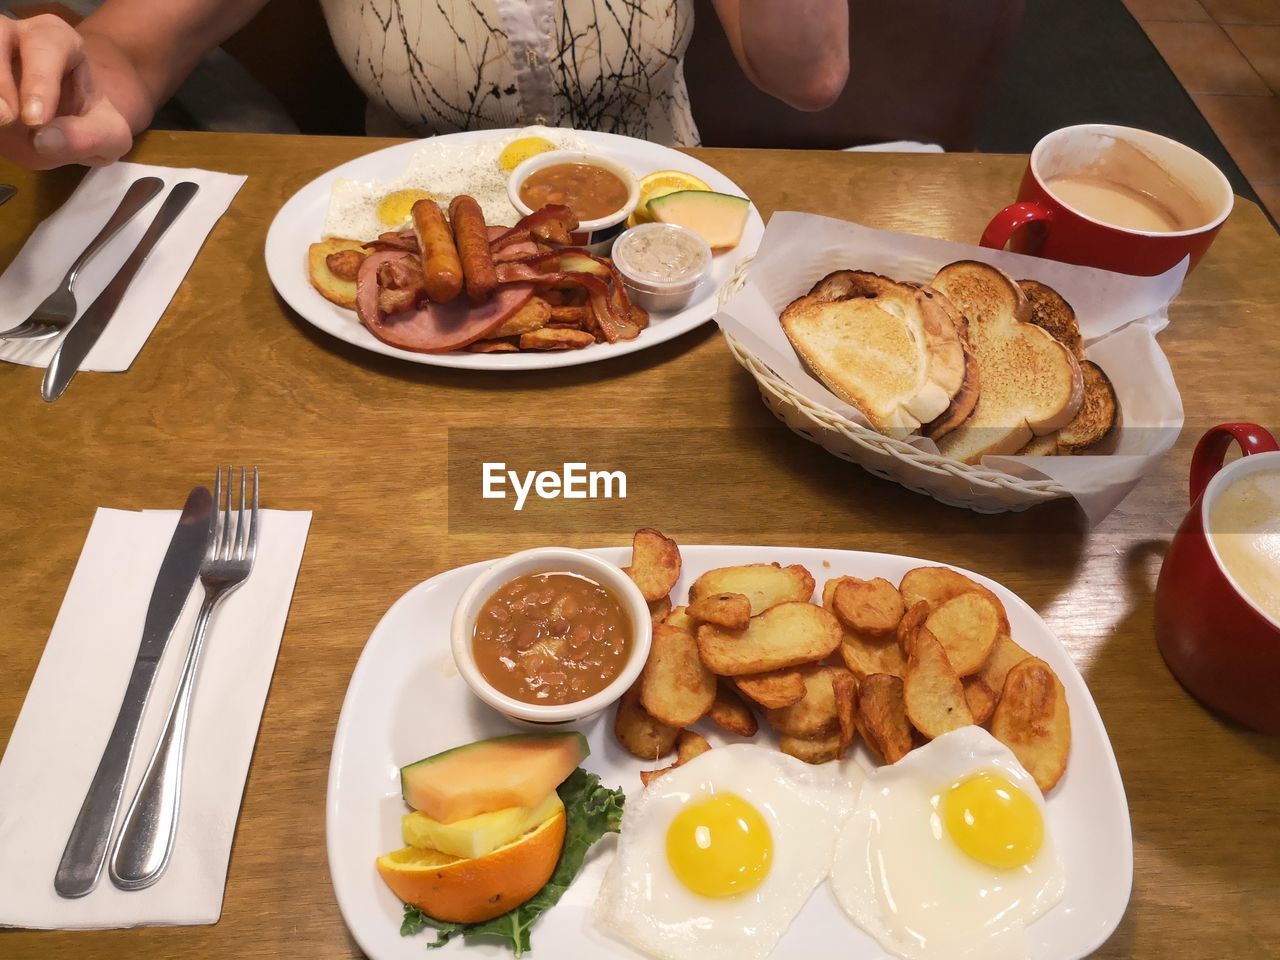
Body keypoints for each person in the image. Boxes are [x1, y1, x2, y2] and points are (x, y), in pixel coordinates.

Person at [0, 1, 849, 170]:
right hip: (415, 255)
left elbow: (808, 74)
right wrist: (63, 89)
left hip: (666, 241)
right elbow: (135, 50)